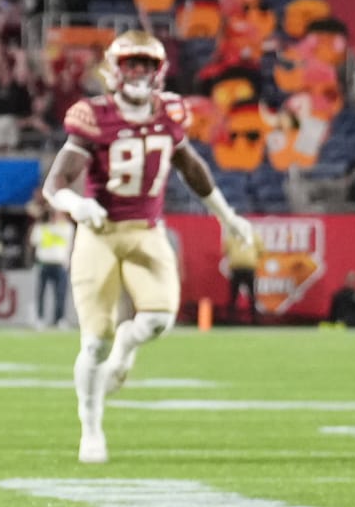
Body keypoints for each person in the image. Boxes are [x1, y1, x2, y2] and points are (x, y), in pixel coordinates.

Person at [42, 30, 255, 464]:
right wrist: (77, 204)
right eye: (131, 64)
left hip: (147, 229)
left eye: (146, 65)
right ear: (114, 70)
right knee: (94, 342)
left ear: (159, 72)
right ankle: (91, 426)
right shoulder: (93, 115)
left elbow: (191, 170)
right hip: (100, 233)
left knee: (158, 319)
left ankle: (128, 346)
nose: (139, 74)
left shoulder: (170, 113)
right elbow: (55, 183)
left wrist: (227, 216)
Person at [30, 207, 73, 328]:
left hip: (59, 264)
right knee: (41, 293)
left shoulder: (67, 228)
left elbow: (70, 245)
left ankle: (59, 319)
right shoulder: (41, 228)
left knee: (60, 294)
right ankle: (40, 317)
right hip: (44, 263)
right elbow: (33, 241)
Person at [223, 227, 260, 324]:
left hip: (237, 268)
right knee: (251, 295)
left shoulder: (231, 237)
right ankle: (254, 318)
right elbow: (261, 251)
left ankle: (231, 319)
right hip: (248, 267)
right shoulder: (254, 236)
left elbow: (225, 251)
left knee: (234, 296)